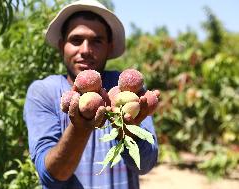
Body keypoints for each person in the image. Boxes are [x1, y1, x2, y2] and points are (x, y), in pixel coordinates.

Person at [23, 0, 159, 188]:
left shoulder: (125, 90)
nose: (85, 50)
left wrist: (127, 131)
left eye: (97, 41)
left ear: (109, 47)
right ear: (62, 45)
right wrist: (80, 128)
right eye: (76, 40)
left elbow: (145, 165)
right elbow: (50, 176)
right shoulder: (44, 92)